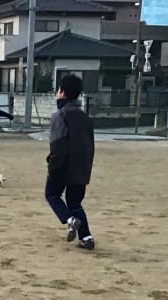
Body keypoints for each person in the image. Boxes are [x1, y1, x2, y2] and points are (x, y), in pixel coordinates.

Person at [45, 74, 95, 250]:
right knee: (74, 202)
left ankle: (69, 220)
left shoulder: (60, 115)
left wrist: (52, 166)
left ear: (62, 92)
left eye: (58, 90)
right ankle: (87, 238)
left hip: (63, 165)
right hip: (82, 166)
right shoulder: (83, 116)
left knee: (51, 194)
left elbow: (58, 145)